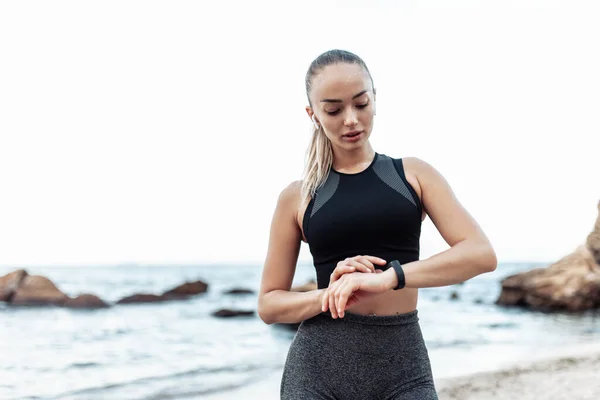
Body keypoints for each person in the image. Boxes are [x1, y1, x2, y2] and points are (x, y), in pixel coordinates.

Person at [257, 49, 497, 400]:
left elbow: (480, 254)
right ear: (313, 115)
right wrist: (331, 295)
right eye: (334, 110)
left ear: (375, 99)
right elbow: (268, 304)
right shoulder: (298, 197)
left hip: (403, 366)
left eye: (361, 103)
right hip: (318, 370)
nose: (351, 120)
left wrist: (388, 278)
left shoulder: (413, 175)